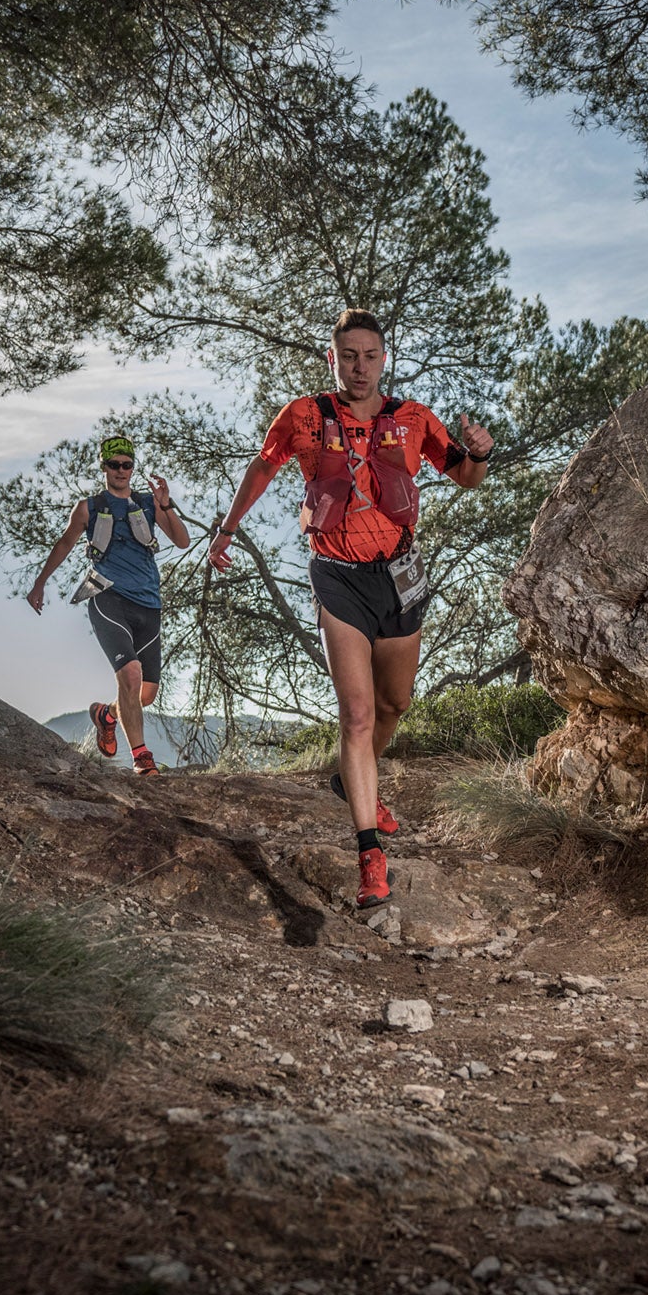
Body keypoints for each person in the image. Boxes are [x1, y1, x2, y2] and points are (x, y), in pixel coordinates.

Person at [208, 309, 494, 907]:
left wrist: (480, 453)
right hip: (335, 575)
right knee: (358, 716)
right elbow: (262, 468)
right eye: (348, 356)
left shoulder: (414, 421)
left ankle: (350, 780)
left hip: (398, 578)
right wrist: (228, 531)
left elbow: (465, 476)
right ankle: (370, 856)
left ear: (383, 359)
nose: (358, 367)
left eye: (369, 356)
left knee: (395, 704)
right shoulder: (305, 417)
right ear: (332, 359)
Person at [25, 435, 189, 775]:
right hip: (108, 597)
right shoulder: (89, 507)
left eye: (126, 465)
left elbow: (182, 541)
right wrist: (40, 583)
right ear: (104, 467)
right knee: (130, 675)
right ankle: (142, 759)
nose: (120, 471)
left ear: (133, 467)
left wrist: (166, 504)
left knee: (144, 696)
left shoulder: (147, 503)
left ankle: (107, 715)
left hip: (149, 604)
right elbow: (65, 542)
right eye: (114, 465)